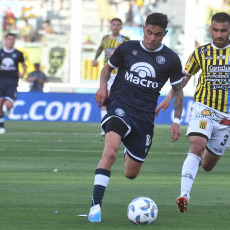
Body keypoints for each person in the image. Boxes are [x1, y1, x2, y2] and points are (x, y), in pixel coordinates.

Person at [155, 12, 230, 213]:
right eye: (215, 30)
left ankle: (197, 162)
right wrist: (168, 97)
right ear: (210, 29)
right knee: (196, 145)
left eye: (224, 30)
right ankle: (184, 194)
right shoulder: (200, 53)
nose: (219, 34)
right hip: (203, 109)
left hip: (229, 117)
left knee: (207, 165)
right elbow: (184, 79)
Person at [88, 12, 184, 222]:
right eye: (149, 32)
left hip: (144, 118)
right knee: (110, 152)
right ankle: (95, 206)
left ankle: (128, 143)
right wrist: (103, 86)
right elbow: (107, 68)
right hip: (119, 106)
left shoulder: (171, 59)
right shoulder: (127, 48)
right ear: (143, 29)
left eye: (157, 35)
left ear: (164, 34)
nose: (152, 38)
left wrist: (176, 121)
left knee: (131, 174)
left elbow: (178, 91)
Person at [92, 18, 130, 136]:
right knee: (105, 101)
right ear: (110, 26)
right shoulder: (105, 39)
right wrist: (95, 58)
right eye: (113, 24)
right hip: (108, 75)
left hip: (120, 75)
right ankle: (105, 128)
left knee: (121, 101)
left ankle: (123, 125)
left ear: (121, 27)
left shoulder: (125, 40)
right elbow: (100, 49)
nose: (115, 27)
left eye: (118, 25)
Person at [0, 33, 27, 134]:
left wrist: (23, 73)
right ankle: (1, 126)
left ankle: (9, 108)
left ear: (14, 41)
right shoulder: (1, 53)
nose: (10, 41)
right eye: (9, 39)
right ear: (5, 40)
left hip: (12, 82)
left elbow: (24, 65)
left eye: (12, 39)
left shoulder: (18, 54)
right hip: (1, 81)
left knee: (8, 104)